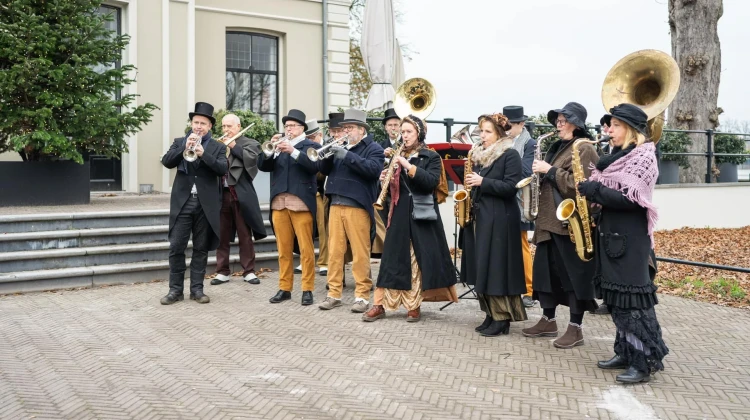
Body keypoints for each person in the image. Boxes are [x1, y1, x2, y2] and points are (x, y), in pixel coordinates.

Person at [577, 103, 668, 383]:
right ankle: (625, 352)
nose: (608, 130)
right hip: (612, 237)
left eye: (614, 125)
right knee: (617, 300)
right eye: (608, 125)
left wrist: (595, 190)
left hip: (631, 240)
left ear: (629, 129)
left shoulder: (644, 157)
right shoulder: (616, 156)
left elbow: (632, 200)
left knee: (633, 301)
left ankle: (643, 363)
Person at [363, 114, 458, 322]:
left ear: (419, 134)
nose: (404, 135)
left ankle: (413, 305)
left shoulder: (430, 156)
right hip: (398, 212)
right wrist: (383, 181)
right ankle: (380, 304)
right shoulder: (396, 154)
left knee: (415, 259)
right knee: (390, 258)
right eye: (402, 132)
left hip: (420, 213)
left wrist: (407, 166)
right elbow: (392, 190)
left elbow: (431, 182)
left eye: (408, 132)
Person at [521, 102, 599, 348]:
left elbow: (583, 186)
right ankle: (548, 319)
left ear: (577, 124)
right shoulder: (557, 146)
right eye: (558, 120)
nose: (558, 124)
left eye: (564, 120)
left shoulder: (584, 148)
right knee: (546, 275)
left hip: (568, 224)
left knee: (574, 276)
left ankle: (575, 328)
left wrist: (550, 170)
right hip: (547, 222)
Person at [461, 113, 527, 336]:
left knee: (498, 268)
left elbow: (511, 186)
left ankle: (502, 318)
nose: (483, 135)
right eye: (481, 131)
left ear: (499, 134)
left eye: (488, 131)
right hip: (484, 216)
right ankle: (490, 313)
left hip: (501, 218)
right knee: (484, 266)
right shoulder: (480, 155)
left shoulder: (510, 155)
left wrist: (483, 182)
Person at [317, 108, 384, 313]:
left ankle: (362, 296)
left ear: (362, 130)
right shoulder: (340, 146)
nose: (346, 131)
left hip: (357, 206)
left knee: (360, 252)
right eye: (344, 128)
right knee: (335, 253)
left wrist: (347, 155)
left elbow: (372, 170)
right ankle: (334, 294)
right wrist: (328, 154)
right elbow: (324, 170)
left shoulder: (374, 148)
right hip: (336, 203)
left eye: (350, 128)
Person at [160, 102, 227, 305]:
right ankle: (175, 290)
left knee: (201, 248)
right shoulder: (179, 141)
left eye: (203, 123)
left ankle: (197, 290)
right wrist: (184, 148)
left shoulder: (218, 147)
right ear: (191, 123)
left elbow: (222, 169)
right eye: (196, 122)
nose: (198, 126)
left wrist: (202, 154)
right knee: (176, 247)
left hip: (205, 204)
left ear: (209, 127)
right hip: (183, 202)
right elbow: (166, 161)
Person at [257, 109, 321, 305]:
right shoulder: (278, 145)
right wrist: (271, 152)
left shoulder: (310, 145)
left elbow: (313, 167)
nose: (289, 129)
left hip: (301, 203)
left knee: (305, 249)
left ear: (302, 128)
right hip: (279, 202)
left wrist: (292, 151)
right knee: (283, 249)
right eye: (286, 126)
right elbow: (262, 166)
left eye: (292, 126)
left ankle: (307, 288)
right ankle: (285, 288)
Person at [209, 114, 267, 286]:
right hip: (221, 194)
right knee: (222, 235)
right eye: (224, 126)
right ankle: (222, 271)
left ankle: (248, 271)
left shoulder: (250, 143)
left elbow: (253, 160)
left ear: (239, 126)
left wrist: (233, 145)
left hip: (241, 193)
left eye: (229, 126)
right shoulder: (217, 144)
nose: (226, 130)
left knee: (244, 234)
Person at [504, 105, 538, 308]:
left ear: (521, 124)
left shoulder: (530, 144)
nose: (507, 129)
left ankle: (529, 289)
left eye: (510, 125)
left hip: (520, 200)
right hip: (503, 198)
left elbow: (525, 171)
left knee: (521, 244)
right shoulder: (504, 141)